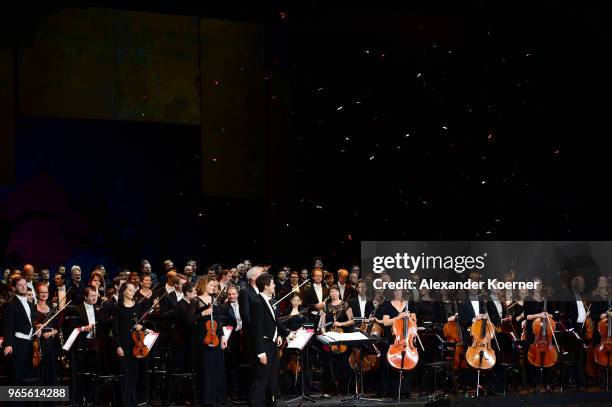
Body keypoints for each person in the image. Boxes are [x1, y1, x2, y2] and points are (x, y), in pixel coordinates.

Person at [248, 273, 296, 407]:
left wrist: (282, 335)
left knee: (272, 379)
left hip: (272, 343)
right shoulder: (257, 302)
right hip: (264, 346)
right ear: (266, 286)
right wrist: (260, 352)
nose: (275, 285)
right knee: (261, 380)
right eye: (273, 283)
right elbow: (256, 330)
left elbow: (275, 322)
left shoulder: (269, 301)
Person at [193, 276, 228, 406]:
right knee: (206, 369)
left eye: (214, 285)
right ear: (203, 285)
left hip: (216, 337)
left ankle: (218, 398)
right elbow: (190, 319)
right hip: (203, 338)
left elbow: (218, 320)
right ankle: (207, 399)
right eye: (211, 285)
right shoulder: (196, 300)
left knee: (217, 368)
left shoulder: (214, 300)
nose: (213, 287)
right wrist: (203, 313)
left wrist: (223, 336)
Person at [113, 282, 147, 407]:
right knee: (125, 375)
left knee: (134, 374)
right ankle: (125, 402)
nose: (133, 292)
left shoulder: (137, 306)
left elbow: (141, 324)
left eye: (134, 290)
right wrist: (118, 346)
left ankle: (133, 402)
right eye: (130, 290)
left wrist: (142, 328)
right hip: (123, 345)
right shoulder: (118, 307)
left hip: (136, 345)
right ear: (124, 291)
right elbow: (115, 329)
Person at [2, 276, 39, 384]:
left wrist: (37, 328)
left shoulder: (31, 304)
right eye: (20, 285)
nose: (23, 287)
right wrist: (8, 344)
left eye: (25, 284)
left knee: (27, 377)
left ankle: (26, 400)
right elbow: (7, 325)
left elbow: (31, 323)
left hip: (30, 344)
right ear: (14, 288)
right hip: (17, 344)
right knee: (17, 377)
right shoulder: (10, 304)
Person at [33, 282, 59, 385]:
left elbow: (57, 328)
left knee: (51, 369)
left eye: (46, 292)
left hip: (50, 343)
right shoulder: (33, 308)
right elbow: (31, 324)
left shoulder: (52, 308)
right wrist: (36, 326)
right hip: (38, 342)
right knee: (41, 369)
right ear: (37, 294)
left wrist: (51, 332)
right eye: (41, 292)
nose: (44, 294)